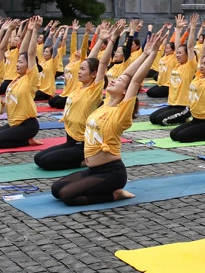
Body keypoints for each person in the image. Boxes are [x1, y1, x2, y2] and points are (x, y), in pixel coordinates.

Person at [50, 31, 163, 206]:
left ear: (125, 92)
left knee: (67, 196)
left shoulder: (121, 112)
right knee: (56, 189)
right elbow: (126, 75)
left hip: (111, 172)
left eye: (118, 82)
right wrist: (144, 54)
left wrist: (153, 54)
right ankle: (107, 190)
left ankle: (115, 194)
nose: (113, 80)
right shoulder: (104, 103)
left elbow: (134, 80)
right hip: (93, 170)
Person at [35, 25, 113, 171]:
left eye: (83, 69)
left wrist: (105, 40)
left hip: (82, 143)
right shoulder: (79, 87)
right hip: (70, 141)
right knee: (38, 158)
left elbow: (101, 63)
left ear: (93, 74)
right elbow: (90, 59)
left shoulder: (94, 90)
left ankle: (86, 161)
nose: (79, 71)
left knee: (45, 162)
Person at [0, 17, 44, 148]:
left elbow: (31, 53)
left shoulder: (31, 78)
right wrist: (27, 30)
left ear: (29, 66)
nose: (17, 64)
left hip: (27, 124)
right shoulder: (16, 80)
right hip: (13, 123)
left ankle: (27, 140)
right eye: (18, 62)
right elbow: (22, 51)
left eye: (21, 62)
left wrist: (34, 31)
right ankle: (24, 139)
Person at [150, 14, 200, 125]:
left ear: (188, 55)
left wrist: (192, 28)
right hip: (172, 104)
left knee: (162, 120)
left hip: (183, 106)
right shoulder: (177, 65)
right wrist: (177, 29)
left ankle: (184, 117)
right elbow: (177, 44)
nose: (177, 55)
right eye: (176, 53)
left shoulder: (190, 65)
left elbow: (190, 46)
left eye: (180, 53)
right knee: (153, 118)